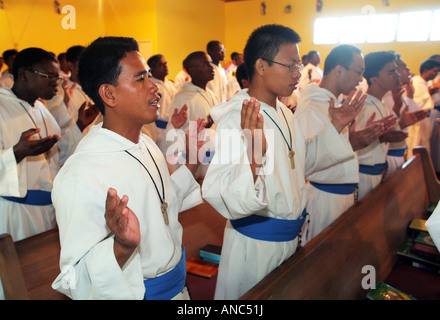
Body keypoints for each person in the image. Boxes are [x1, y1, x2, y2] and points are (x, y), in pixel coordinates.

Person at [202, 24, 365, 300]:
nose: (298, 73)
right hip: (255, 247)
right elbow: (222, 194)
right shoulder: (236, 118)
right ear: (261, 66)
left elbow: (299, 165)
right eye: (290, 65)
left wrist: (334, 127)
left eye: (299, 65)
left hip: (289, 240)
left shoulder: (284, 113)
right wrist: (254, 154)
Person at [51, 36, 205, 300]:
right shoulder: (82, 172)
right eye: (140, 78)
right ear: (109, 94)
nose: (154, 88)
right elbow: (74, 278)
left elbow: (159, 207)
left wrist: (189, 166)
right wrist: (121, 247)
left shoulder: (145, 144)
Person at [295, 44, 387, 243]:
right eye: (358, 72)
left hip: (341, 197)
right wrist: (351, 143)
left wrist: (352, 142)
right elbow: (304, 161)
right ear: (339, 69)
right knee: (321, 262)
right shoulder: (312, 107)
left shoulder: (335, 104)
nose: (360, 79)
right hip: (324, 200)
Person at [0, 47, 61, 242]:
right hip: (17, 213)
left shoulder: (41, 108)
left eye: (57, 77)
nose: (55, 82)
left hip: (49, 211)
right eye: (48, 76)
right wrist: (16, 154)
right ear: (23, 75)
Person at [355, 51, 407, 199]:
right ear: (374, 79)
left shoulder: (380, 103)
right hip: (364, 175)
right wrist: (380, 137)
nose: (397, 75)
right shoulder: (363, 106)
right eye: (391, 71)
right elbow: (352, 144)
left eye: (396, 69)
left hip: (377, 171)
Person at [45, 45, 100, 165]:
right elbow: (58, 125)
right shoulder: (60, 90)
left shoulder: (93, 88)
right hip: (71, 154)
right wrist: (65, 103)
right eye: (83, 63)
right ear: (71, 65)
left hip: (93, 152)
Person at [382, 53, 429, 178]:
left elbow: (414, 112)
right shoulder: (385, 98)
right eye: (404, 67)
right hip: (388, 158)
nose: (408, 70)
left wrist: (410, 96)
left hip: (399, 154)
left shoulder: (399, 96)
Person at [410, 58, 440, 157]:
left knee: (425, 143)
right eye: (435, 71)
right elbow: (415, 102)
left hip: (426, 117)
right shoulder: (417, 81)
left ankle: (424, 168)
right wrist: (429, 93)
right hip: (419, 118)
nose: (436, 74)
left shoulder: (425, 82)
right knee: (417, 143)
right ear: (426, 71)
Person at [147, 54, 177, 137]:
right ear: (152, 69)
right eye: (161, 65)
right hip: (159, 128)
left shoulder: (171, 85)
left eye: (165, 64)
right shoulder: (151, 86)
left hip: (174, 126)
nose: (165, 66)